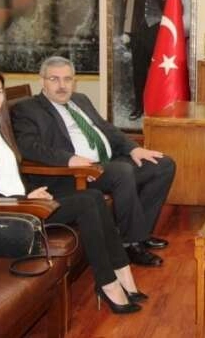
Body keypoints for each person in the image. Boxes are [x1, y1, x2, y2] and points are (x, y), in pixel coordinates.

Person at [0, 67, 146, 314]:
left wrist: (31, 192)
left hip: (20, 206)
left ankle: (122, 274)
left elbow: (11, 176)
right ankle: (108, 284)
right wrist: (22, 199)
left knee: (93, 197)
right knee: (87, 202)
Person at [11, 56, 175, 267]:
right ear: (42, 81)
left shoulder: (80, 99)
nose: (62, 85)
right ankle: (130, 244)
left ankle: (140, 233)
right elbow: (29, 146)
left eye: (67, 79)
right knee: (122, 172)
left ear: (74, 81)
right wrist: (69, 159)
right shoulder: (27, 109)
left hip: (106, 163)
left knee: (163, 165)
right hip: (73, 175)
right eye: (54, 79)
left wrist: (134, 148)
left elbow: (106, 129)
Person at [123, 0, 171, 120]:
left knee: (159, 72)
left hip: (159, 33)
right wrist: (126, 32)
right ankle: (139, 107)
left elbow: (176, 8)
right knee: (139, 72)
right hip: (138, 33)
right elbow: (128, 5)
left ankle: (158, 108)